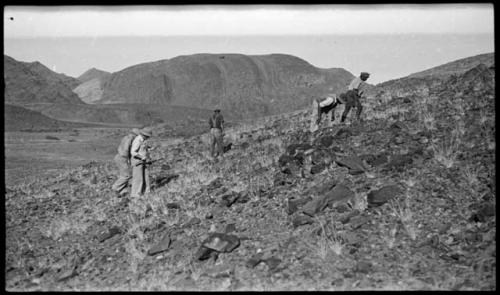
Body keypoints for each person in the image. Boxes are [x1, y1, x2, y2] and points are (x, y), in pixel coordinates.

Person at [111, 128, 140, 197]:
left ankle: (122, 191)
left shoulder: (126, 137)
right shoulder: (130, 139)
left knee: (124, 174)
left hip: (119, 157)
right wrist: (128, 159)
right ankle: (116, 188)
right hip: (123, 158)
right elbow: (126, 150)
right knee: (127, 175)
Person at [130, 126, 153, 198]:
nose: (148, 138)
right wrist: (141, 157)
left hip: (144, 161)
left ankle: (146, 192)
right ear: (144, 135)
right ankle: (136, 195)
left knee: (146, 177)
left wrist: (149, 149)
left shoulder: (144, 140)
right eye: (148, 136)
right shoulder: (138, 140)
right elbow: (133, 152)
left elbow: (143, 148)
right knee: (138, 178)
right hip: (138, 161)